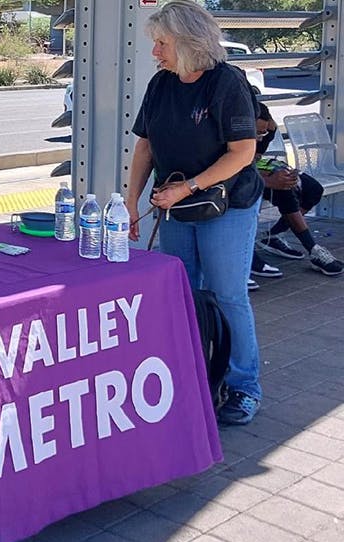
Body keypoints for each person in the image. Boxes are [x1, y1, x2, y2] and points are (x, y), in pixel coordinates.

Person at [125, 0, 263, 425]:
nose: (155, 53)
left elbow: (243, 152)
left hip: (227, 205)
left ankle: (244, 386)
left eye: (161, 43)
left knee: (227, 295)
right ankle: (193, 377)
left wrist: (187, 186)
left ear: (188, 42)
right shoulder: (161, 83)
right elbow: (145, 145)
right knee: (182, 293)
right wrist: (130, 202)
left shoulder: (226, 83)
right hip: (176, 207)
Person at [253, 102, 344, 276]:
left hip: (257, 164)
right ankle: (313, 249)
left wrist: (268, 131)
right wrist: (267, 179)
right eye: (257, 132)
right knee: (284, 189)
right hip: (244, 173)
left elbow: (257, 156)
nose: (260, 137)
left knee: (313, 188)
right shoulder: (233, 135)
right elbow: (239, 168)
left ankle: (273, 235)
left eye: (263, 132)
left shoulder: (266, 129)